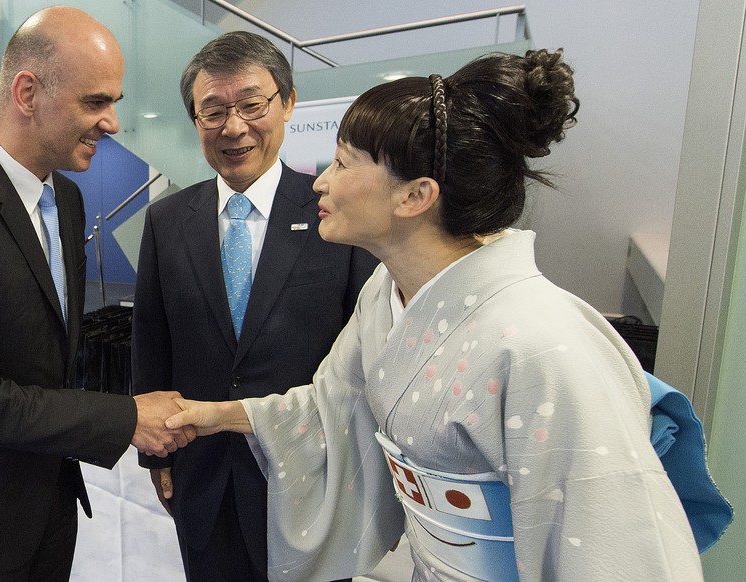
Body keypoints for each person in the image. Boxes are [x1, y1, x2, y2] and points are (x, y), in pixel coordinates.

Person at [165, 49, 706, 581]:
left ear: (416, 195)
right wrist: (219, 416)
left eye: (344, 162)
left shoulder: (542, 344)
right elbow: (333, 406)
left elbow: (611, 545)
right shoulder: (386, 295)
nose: (320, 182)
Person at [0, 7, 193, 581]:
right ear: (27, 92)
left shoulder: (69, 202)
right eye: (96, 102)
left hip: (48, 500)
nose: (113, 123)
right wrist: (125, 417)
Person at [130, 31, 377, 581]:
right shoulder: (167, 221)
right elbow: (152, 342)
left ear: (288, 104)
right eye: (212, 111)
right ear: (195, 120)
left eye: (251, 104)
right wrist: (159, 455)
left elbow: (365, 354)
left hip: (310, 474)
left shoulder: (333, 214)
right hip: (203, 471)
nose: (233, 127)